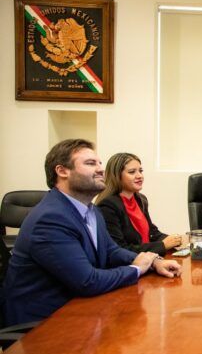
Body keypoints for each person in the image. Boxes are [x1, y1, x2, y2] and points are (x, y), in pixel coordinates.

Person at [2, 139, 181, 326]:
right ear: (62, 171)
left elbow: (111, 250)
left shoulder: (91, 210)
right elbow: (87, 281)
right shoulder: (50, 218)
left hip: (80, 310)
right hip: (45, 323)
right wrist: (136, 269)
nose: (101, 169)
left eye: (99, 163)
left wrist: (153, 262)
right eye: (90, 163)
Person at [97, 153, 183, 256]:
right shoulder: (108, 206)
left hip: (149, 259)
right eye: (132, 172)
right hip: (130, 263)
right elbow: (119, 249)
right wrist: (163, 245)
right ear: (117, 176)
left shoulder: (141, 199)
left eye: (140, 171)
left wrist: (175, 240)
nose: (140, 176)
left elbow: (152, 233)